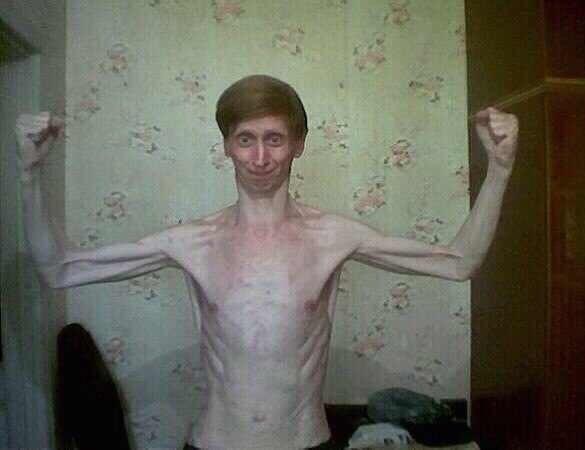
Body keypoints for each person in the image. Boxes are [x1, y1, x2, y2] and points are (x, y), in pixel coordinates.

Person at [16, 74, 518, 450]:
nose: (260, 158)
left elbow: (458, 262)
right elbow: (59, 269)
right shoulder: (192, 241)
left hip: (306, 444)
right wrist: (29, 175)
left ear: (298, 145)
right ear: (227, 146)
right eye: (246, 139)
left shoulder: (332, 236)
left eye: (274, 139)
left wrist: (499, 169)